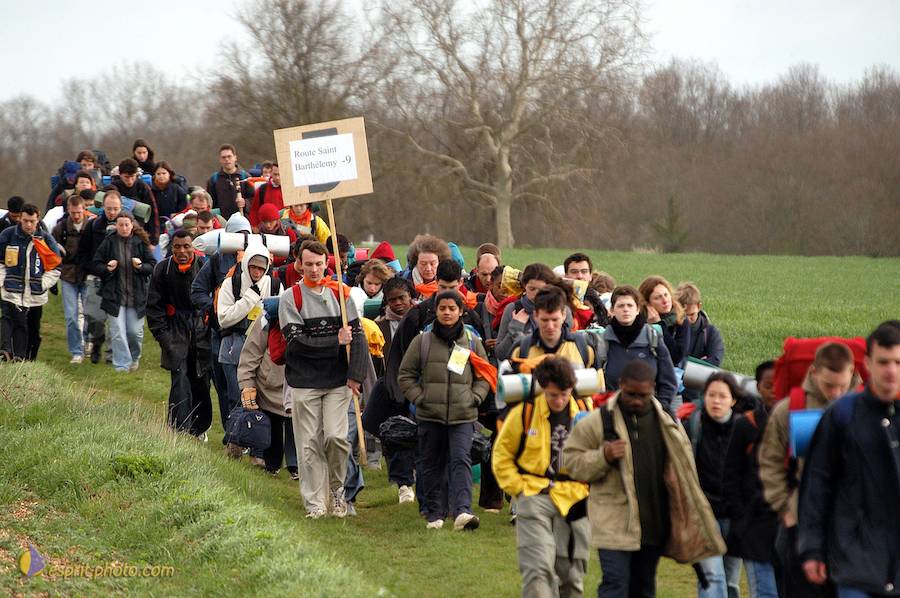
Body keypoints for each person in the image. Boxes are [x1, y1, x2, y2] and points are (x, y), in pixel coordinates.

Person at [563, 360, 726, 598]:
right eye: (631, 394)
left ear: (652, 389)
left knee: (644, 590)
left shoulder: (667, 424)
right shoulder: (598, 422)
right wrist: (603, 456)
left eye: (644, 395)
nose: (637, 401)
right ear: (620, 386)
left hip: (653, 525)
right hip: (613, 523)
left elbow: (684, 473)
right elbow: (572, 464)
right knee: (615, 586)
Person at [798, 321, 900, 598]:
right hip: (856, 559)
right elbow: (817, 484)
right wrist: (812, 548)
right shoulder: (841, 416)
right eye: (883, 362)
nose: (891, 370)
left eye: (897, 362)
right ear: (867, 363)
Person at [758, 342, 858, 598]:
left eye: (842, 386)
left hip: (855, 527)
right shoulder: (790, 409)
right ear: (814, 372)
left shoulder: (867, 410)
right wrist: (786, 512)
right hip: (801, 523)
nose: (836, 393)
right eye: (828, 386)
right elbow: (769, 463)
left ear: (853, 373)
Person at [278, 240, 367, 519]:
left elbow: (358, 337)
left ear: (327, 264)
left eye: (319, 264)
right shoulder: (291, 298)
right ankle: (315, 504)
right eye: (309, 264)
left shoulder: (342, 294)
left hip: (339, 380)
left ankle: (338, 491)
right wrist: (334, 341)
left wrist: (355, 375)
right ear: (299, 265)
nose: (315, 270)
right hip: (304, 381)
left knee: (336, 438)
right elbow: (296, 341)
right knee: (308, 445)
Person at [492, 357, 591, 597]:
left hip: (575, 498)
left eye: (564, 395)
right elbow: (502, 454)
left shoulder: (586, 412)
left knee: (572, 578)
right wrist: (519, 489)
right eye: (553, 395)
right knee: (537, 573)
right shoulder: (525, 412)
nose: (559, 400)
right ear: (543, 388)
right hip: (535, 495)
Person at [398, 290, 491, 530]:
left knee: (461, 459)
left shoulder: (472, 342)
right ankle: (435, 514)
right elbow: (405, 375)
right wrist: (420, 398)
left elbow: (485, 375)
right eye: (442, 308)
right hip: (430, 415)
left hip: (463, 415)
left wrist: (475, 397)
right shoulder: (423, 341)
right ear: (436, 311)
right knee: (431, 464)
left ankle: (462, 511)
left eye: (452, 308)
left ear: (461, 311)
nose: (447, 313)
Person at [216, 241, 281, 457]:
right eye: (253, 267)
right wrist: (250, 299)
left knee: (260, 400)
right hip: (233, 347)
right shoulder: (231, 284)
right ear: (246, 265)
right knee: (238, 397)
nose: (257, 272)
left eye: (262, 268)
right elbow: (224, 318)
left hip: (263, 350)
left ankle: (256, 449)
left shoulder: (273, 285)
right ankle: (234, 439)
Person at [686, 373, 747, 598]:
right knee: (711, 578)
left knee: (730, 583)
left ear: (733, 400)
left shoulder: (744, 429)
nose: (716, 401)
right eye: (711, 395)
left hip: (735, 515)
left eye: (723, 396)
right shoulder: (693, 426)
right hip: (704, 514)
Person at [146, 229, 212, 438]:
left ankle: (199, 427)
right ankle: (179, 429)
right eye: (177, 246)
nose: (182, 251)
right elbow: (154, 308)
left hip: (202, 330)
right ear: (171, 247)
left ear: (193, 247)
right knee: (180, 380)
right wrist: (164, 338)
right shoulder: (162, 269)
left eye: (186, 246)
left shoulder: (205, 266)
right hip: (175, 331)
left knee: (201, 380)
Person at [191, 213, 253, 434]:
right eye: (237, 235)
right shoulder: (218, 259)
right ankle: (231, 431)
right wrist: (215, 309)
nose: (241, 240)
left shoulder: (259, 256)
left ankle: (248, 432)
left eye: (245, 235)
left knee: (247, 385)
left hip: (250, 332)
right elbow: (197, 290)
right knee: (224, 385)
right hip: (222, 332)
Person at [722, 361, 780, 598]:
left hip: (785, 525)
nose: (775, 390)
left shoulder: (795, 421)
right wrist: (741, 516)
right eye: (768, 385)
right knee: (765, 591)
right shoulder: (746, 425)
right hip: (754, 526)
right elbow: (731, 474)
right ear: (758, 387)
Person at [89, 212, 156, 372]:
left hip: (136, 296)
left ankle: (134, 358)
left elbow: (152, 265)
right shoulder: (109, 242)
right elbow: (95, 264)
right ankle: (121, 365)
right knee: (118, 332)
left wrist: (141, 267)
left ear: (132, 225)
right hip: (114, 296)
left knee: (134, 332)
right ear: (116, 226)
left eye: (127, 224)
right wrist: (107, 268)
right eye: (121, 225)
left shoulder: (140, 242)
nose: (124, 228)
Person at [237, 304, 298, 479]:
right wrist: (247, 384)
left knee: (300, 428)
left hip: (301, 386)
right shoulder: (268, 317)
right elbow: (251, 352)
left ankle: (297, 465)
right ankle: (272, 464)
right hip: (269, 388)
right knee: (273, 428)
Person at [595, 286, 678, 409]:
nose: (626, 310)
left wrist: (661, 407)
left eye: (630, 305)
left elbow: (668, 381)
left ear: (638, 309)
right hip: (612, 412)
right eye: (620, 306)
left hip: (649, 411)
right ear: (612, 310)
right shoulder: (602, 342)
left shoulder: (652, 338)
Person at [0, 203, 61, 361]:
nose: (28, 225)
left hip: (34, 293)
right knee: (8, 319)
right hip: (10, 288)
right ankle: (6, 351)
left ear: (37, 220)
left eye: (32, 221)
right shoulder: (8, 235)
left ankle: (27, 359)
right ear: (20, 218)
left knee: (32, 329)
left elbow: (56, 267)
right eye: (25, 220)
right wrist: (1, 281)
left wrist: (42, 283)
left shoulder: (45, 240)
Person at [76, 189, 124, 363]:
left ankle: (111, 355)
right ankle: (97, 341)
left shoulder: (127, 225)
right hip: (96, 276)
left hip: (118, 279)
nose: (112, 212)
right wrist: (87, 270)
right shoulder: (93, 225)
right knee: (94, 317)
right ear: (102, 206)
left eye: (115, 208)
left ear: (121, 207)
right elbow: (83, 252)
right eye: (109, 208)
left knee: (115, 320)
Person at [509, 285, 598, 372]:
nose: (550, 326)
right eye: (544, 320)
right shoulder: (521, 349)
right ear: (535, 316)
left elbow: (598, 383)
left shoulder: (583, 346)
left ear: (564, 315)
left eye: (555, 320)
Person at [495, 263, 566, 361]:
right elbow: (500, 353)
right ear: (524, 286)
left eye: (542, 289)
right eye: (532, 289)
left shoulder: (560, 308)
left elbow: (566, 347)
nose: (536, 294)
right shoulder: (514, 309)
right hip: (522, 369)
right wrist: (516, 326)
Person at [52, 194, 93, 363]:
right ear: (68, 210)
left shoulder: (91, 227)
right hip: (68, 275)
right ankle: (76, 351)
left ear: (84, 210)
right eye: (73, 212)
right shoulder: (60, 229)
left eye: (79, 211)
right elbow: (52, 253)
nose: (76, 215)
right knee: (71, 316)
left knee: (89, 314)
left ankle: (88, 340)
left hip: (87, 275)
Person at [639, 276, 691, 369]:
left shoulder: (681, 319)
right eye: (657, 298)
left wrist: (659, 325)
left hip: (671, 371)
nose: (665, 301)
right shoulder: (639, 322)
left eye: (666, 295)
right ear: (647, 304)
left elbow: (676, 357)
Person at [113, 158, 161, 247]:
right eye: (126, 177)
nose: (130, 181)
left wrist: (153, 241)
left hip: (139, 232)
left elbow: (153, 214)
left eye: (132, 177)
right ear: (120, 175)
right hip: (117, 232)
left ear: (137, 175)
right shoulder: (114, 187)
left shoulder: (143, 187)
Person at [564, 252, 609, 327]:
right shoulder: (559, 299)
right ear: (566, 276)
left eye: (584, 271)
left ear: (590, 276)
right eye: (574, 272)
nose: (579, 276)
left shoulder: (599, 302)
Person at [206, 144, 250, 219]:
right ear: (220, 159)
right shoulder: (213, 180)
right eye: (223, 157)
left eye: (229, 156)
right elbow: (211, 204)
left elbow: (253, 200)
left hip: (243, 220)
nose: (226, 159)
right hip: (222, 222)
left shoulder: (245, 177)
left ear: (235, 157)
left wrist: (245, 202)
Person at [402, 234, 452, 299]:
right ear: (415, 263)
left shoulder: (449, 282)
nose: (428, 269)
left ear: (440, 262)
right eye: (423, 264)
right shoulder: (404, 282)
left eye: (433, 263)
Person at [248, 163, 283, 229]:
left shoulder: (290, 190)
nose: (278, 177)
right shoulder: (262, 189)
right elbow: (254, 210)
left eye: (280, 174)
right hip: (266, 228)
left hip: (285, 228)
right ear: (271, 173)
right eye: (275, 174)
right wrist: (254, 226)